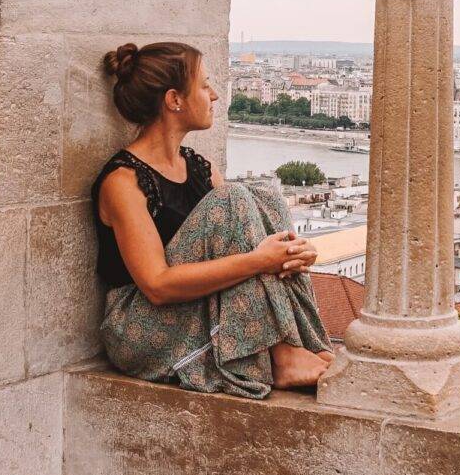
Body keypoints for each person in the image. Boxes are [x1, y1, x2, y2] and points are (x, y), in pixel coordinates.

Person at [92, 40, 334, 397]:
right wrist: (258, 262)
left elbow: (250, 232)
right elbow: (157, 286)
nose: (215, 95)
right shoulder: (123, 181)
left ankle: (308, 343)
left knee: (263, 198)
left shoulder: (198, 168)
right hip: (138, 327)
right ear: (174, 100)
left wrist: (291, 254)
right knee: (234, 198)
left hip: (189, 310)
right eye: (204, 86)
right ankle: (282, 356)